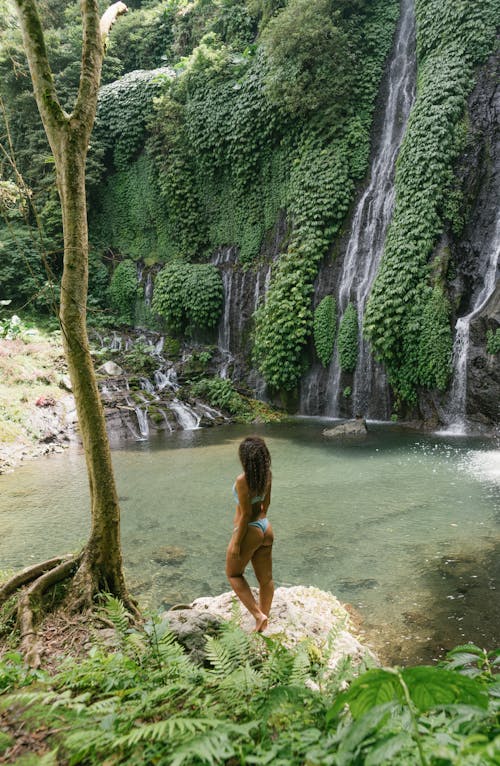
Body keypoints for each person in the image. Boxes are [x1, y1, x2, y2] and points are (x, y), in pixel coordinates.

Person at [226, 435, 274, 632]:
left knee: (234, 574)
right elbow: (266, 504)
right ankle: (264, 620)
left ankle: (258, 615)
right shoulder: (267, 475)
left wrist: (238, 542)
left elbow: (245, 514)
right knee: (266, 580)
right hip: (265, 526)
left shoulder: (242, 480)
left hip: (249, 529)